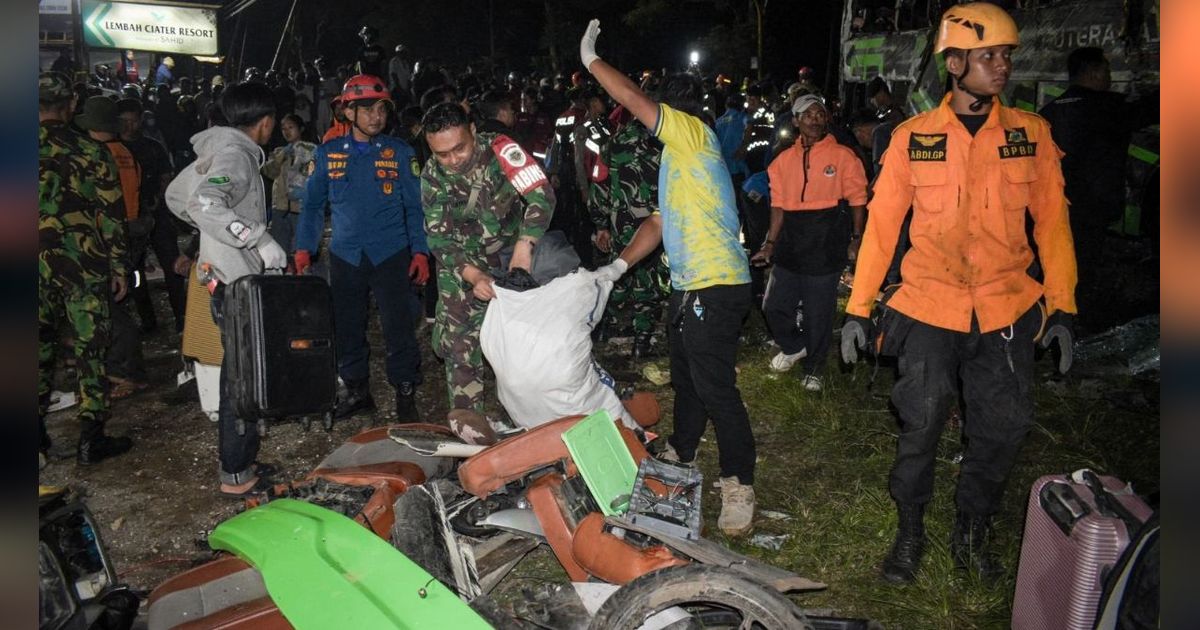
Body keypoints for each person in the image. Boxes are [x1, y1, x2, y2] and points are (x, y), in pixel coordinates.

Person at [840, 2, 1077, 583]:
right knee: (920, 419)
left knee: (1005, 425)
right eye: (988, 56)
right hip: (929, 304)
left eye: (1005, 56)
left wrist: (1064, 305)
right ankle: (910, 529)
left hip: (1007, 307)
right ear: (954, 63)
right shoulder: (912, 139)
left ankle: (972, 528)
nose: (1002, 67)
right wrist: (858, 307)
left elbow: (1052, 225)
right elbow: (882, 227)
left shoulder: (1031, 134)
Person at [579, 20, 757, 536]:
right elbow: (658, 222)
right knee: (686, 377)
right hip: (688, 285)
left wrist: (591, 59)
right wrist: (616, 268)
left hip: (717, 282)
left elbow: (634, 99)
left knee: (716, 385)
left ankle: (738, 480)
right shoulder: (676, 160)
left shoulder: (693, 134)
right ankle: (682, 448)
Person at [164, 81, 286, 498]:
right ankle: (237, 472)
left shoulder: (216, 149)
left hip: (221, 274)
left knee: (239, 370)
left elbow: (177, 197)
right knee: (241, 376)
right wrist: (256, 238)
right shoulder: (236, 155)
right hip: (236, 281)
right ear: (265, 122)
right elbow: (204, 204)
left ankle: (239, 463)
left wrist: (212, 236)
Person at [295, 75, 429, 421]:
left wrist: (420, 251)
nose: (376, 116)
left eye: (381, 109)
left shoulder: (400, 153)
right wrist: (303, 248)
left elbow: (415, 207)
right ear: (348, 112)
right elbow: (311, 206)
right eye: (367, 109)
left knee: (398, 325)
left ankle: (404, 388)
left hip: (391, 253)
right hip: (345, 256)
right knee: (347, 325)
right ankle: (356, 390)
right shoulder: (326, 155)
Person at [420, 101, 554, 419]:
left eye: (459, 149)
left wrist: (524, 247)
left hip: (512, 257)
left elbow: (541, 194)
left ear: (474, 132)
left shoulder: (502, 151)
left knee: (525, 342)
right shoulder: (432, 176)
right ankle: (470, 428)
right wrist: (474, 276)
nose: (452, 160)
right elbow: (440, 239)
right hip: (463, 263)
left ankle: (528, 420)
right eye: (442, 154)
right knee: (457, 345)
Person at [39, 72, 134, 466]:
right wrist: (119, 267)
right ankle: (91, 438)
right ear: (72, 105)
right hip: (83, 263)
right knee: (90, 349)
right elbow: (111, 214)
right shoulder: (91, 151)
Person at [752, 95, 867, 391]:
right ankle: (794, 347)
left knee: (819, 312)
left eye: (820, 113)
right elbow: (777, 206)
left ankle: (815, 366)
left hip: (826, 239)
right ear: (796, 121)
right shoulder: (781, 162)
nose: (815, 119)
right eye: (807, 114)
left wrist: (856, 238)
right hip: (791, 239)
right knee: (774, 305)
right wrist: (770, 243)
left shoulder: (843, 156)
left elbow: (857, 199)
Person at [1038, 47, 1134, 334]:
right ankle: (1072, 325)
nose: (1109, 77)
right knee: (1083, 268)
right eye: (1106, 70)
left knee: (1056, 264)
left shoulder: (1051, 111)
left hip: (1056, 206)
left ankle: (1049, 319)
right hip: (1091, 207)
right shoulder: (1107, 109)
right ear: (1092, 72)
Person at [75, 96, 150, 397]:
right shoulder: (125, 153)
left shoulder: (94, 155)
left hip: (109, 235)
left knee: (110, 304)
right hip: (130, 228)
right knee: (116, 300)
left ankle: (127, 370)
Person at [590, 106, 668, 358]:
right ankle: (641, 341)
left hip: (620, 222)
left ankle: (603, 327)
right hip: (656, 223)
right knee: (649, 279)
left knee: (617, 275)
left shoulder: (613, 143)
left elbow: (599, 187)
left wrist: (600, 224)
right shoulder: (666, 141)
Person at [262, 114, 317, 256]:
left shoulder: (311, 150)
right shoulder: (279, 152)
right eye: (283, 128)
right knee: (280, 251)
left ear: (301, 129)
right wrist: (282, 156)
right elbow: (268, 172)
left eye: (291, 127)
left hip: (301, 208)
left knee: (301, 252)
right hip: (280, 207)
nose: (287, 131)